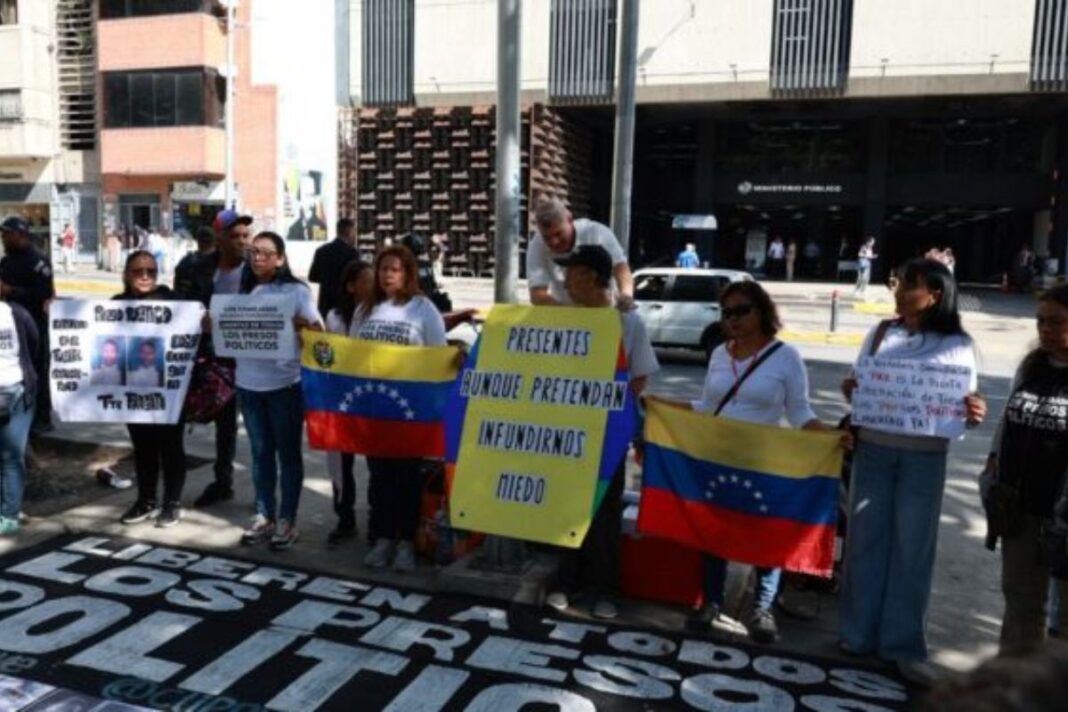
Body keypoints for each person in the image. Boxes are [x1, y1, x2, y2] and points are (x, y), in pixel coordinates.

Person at [659, 281, 846, 643]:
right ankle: (710, 602)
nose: (734, 319)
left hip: (764, 461)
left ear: (762, 311)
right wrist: (663, 406)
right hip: (717, 457)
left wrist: (830, 437)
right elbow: (709, 407)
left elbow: (799, 412)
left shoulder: (785, 357)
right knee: (713, 532)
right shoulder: (718, 355)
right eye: (727, 313)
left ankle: (762, 608)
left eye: (742, 310)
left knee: (766, 534)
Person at [839, 258, 986, 685]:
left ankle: (902, 645)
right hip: (875, 451)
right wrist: (852, 389)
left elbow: (966, 405)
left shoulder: (957, 343)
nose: (899, 291)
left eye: (909, 285)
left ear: (935, 294)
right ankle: (856, 634)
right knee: (865, 544)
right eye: (899, 284)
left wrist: (973, 412)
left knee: (912, 550)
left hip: (925, 458)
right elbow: (857, 384)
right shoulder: (881, 332)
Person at [545, 245, 659, 619]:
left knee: (605, 512)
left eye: (571, 273)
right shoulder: (566, 319)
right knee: (566, 508)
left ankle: (605, 588)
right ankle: (566, 581)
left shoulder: (628, 323)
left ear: (592, 278)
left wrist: (608, 415)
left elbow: (639, 378)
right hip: (567, 432)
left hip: (607, 434)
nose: (564, 281)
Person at [984, 283, 1068, 656]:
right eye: (1041, 321)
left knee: (1063, 618)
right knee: (1020, 604)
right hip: (1019, 508)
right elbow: (1006, 423)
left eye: (1057, 321)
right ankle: (1014, 687)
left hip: (1064, 515)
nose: (1046, 329)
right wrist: (993, 467)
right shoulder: (1031, 366)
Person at [356, 245, 448, 572]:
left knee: (407, 478)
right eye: (383, 269)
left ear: (408, 274)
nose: (388, 275)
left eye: (395, 269)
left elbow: (439, 355)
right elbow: (354, 357)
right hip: (375, 409)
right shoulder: (365, 310)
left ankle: (406, 544)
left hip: (410, 411)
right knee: (380, 478)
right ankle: (383, 540)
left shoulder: (423, 309)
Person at [229, 232, 321, 550]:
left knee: (288, 457)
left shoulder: (296, 291)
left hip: (284, 386)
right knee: (260, 455)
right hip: (249, 386)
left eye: (266, 253)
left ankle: (287, 520)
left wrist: (301, 327)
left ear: (281, 258)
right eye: (253, 252)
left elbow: (319, 335)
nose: (258, 258)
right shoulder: (243, 289)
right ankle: (264, 515)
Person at [174, 210, 251, 508]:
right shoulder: (199, 268)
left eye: (246, 236)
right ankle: (175, 480)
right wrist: (197, 317)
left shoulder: (254, 272)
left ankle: (223, 480)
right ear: (219, 238)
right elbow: (182, 305)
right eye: (235, 237)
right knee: (190, 412)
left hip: (242, 357)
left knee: (228, 423)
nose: (242, 242)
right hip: (205, 353)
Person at [115, 251, 189, 528]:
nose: (145, 276)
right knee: (143, 447)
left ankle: (172, 503)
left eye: (151, 271)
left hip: (169, 391)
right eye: (138, 271)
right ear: (127, 274)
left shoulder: (175, 301)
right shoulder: (117, 304)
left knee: (171, 447)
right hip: (132, 392)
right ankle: (145, 500)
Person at [324, 259, 374, 546]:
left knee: (376, 463)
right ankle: (345, 518)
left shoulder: (382, 314)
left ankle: (378, 519)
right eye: (365, 281)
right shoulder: (335, 317)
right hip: (342, 401)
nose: (372, 286)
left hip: (371, 401)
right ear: (351, 286)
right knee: (341, 465)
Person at [526, 198, 634, 309]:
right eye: (547, 237)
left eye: (558, 234)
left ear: (570, 220)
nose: (554, 242)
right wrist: (573, 317)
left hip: (606, 310)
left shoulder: (596, 232)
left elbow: (620, 267)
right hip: (563, 314)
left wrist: (626, 295)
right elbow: (537, 294)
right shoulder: (536, 245)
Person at [0, 216, 54, 434]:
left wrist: (11, 291)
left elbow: (44, 294)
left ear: (20, 234)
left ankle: (42, 416)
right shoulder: (5, 262)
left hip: (33, 323)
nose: (3, 238)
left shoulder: (38, 262)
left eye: (6, 234)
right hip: (9, 326)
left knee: (37, 367)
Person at [0, 297, 39, 536]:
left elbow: (34, 344)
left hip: (16, 393)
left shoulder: (17, 313)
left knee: (11, 456)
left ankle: (9, 515)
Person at [309, 217, 359, 319]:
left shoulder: (321, 251)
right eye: (354, 232)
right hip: (344, 305)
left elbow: (312, 277)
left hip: (325, 304)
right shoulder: (352, 253)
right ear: (349, 232)